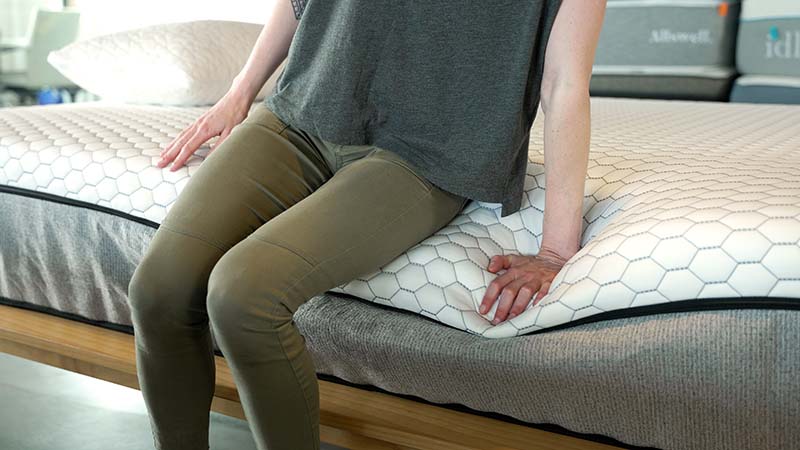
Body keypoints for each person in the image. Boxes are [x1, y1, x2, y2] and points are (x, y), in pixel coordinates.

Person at [126, 0, 607, 449]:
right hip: (302, 115)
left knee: (242, 296)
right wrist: (239, 92)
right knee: (157, 290)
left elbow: (564, 83)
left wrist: (555, 252)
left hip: (427, 153)